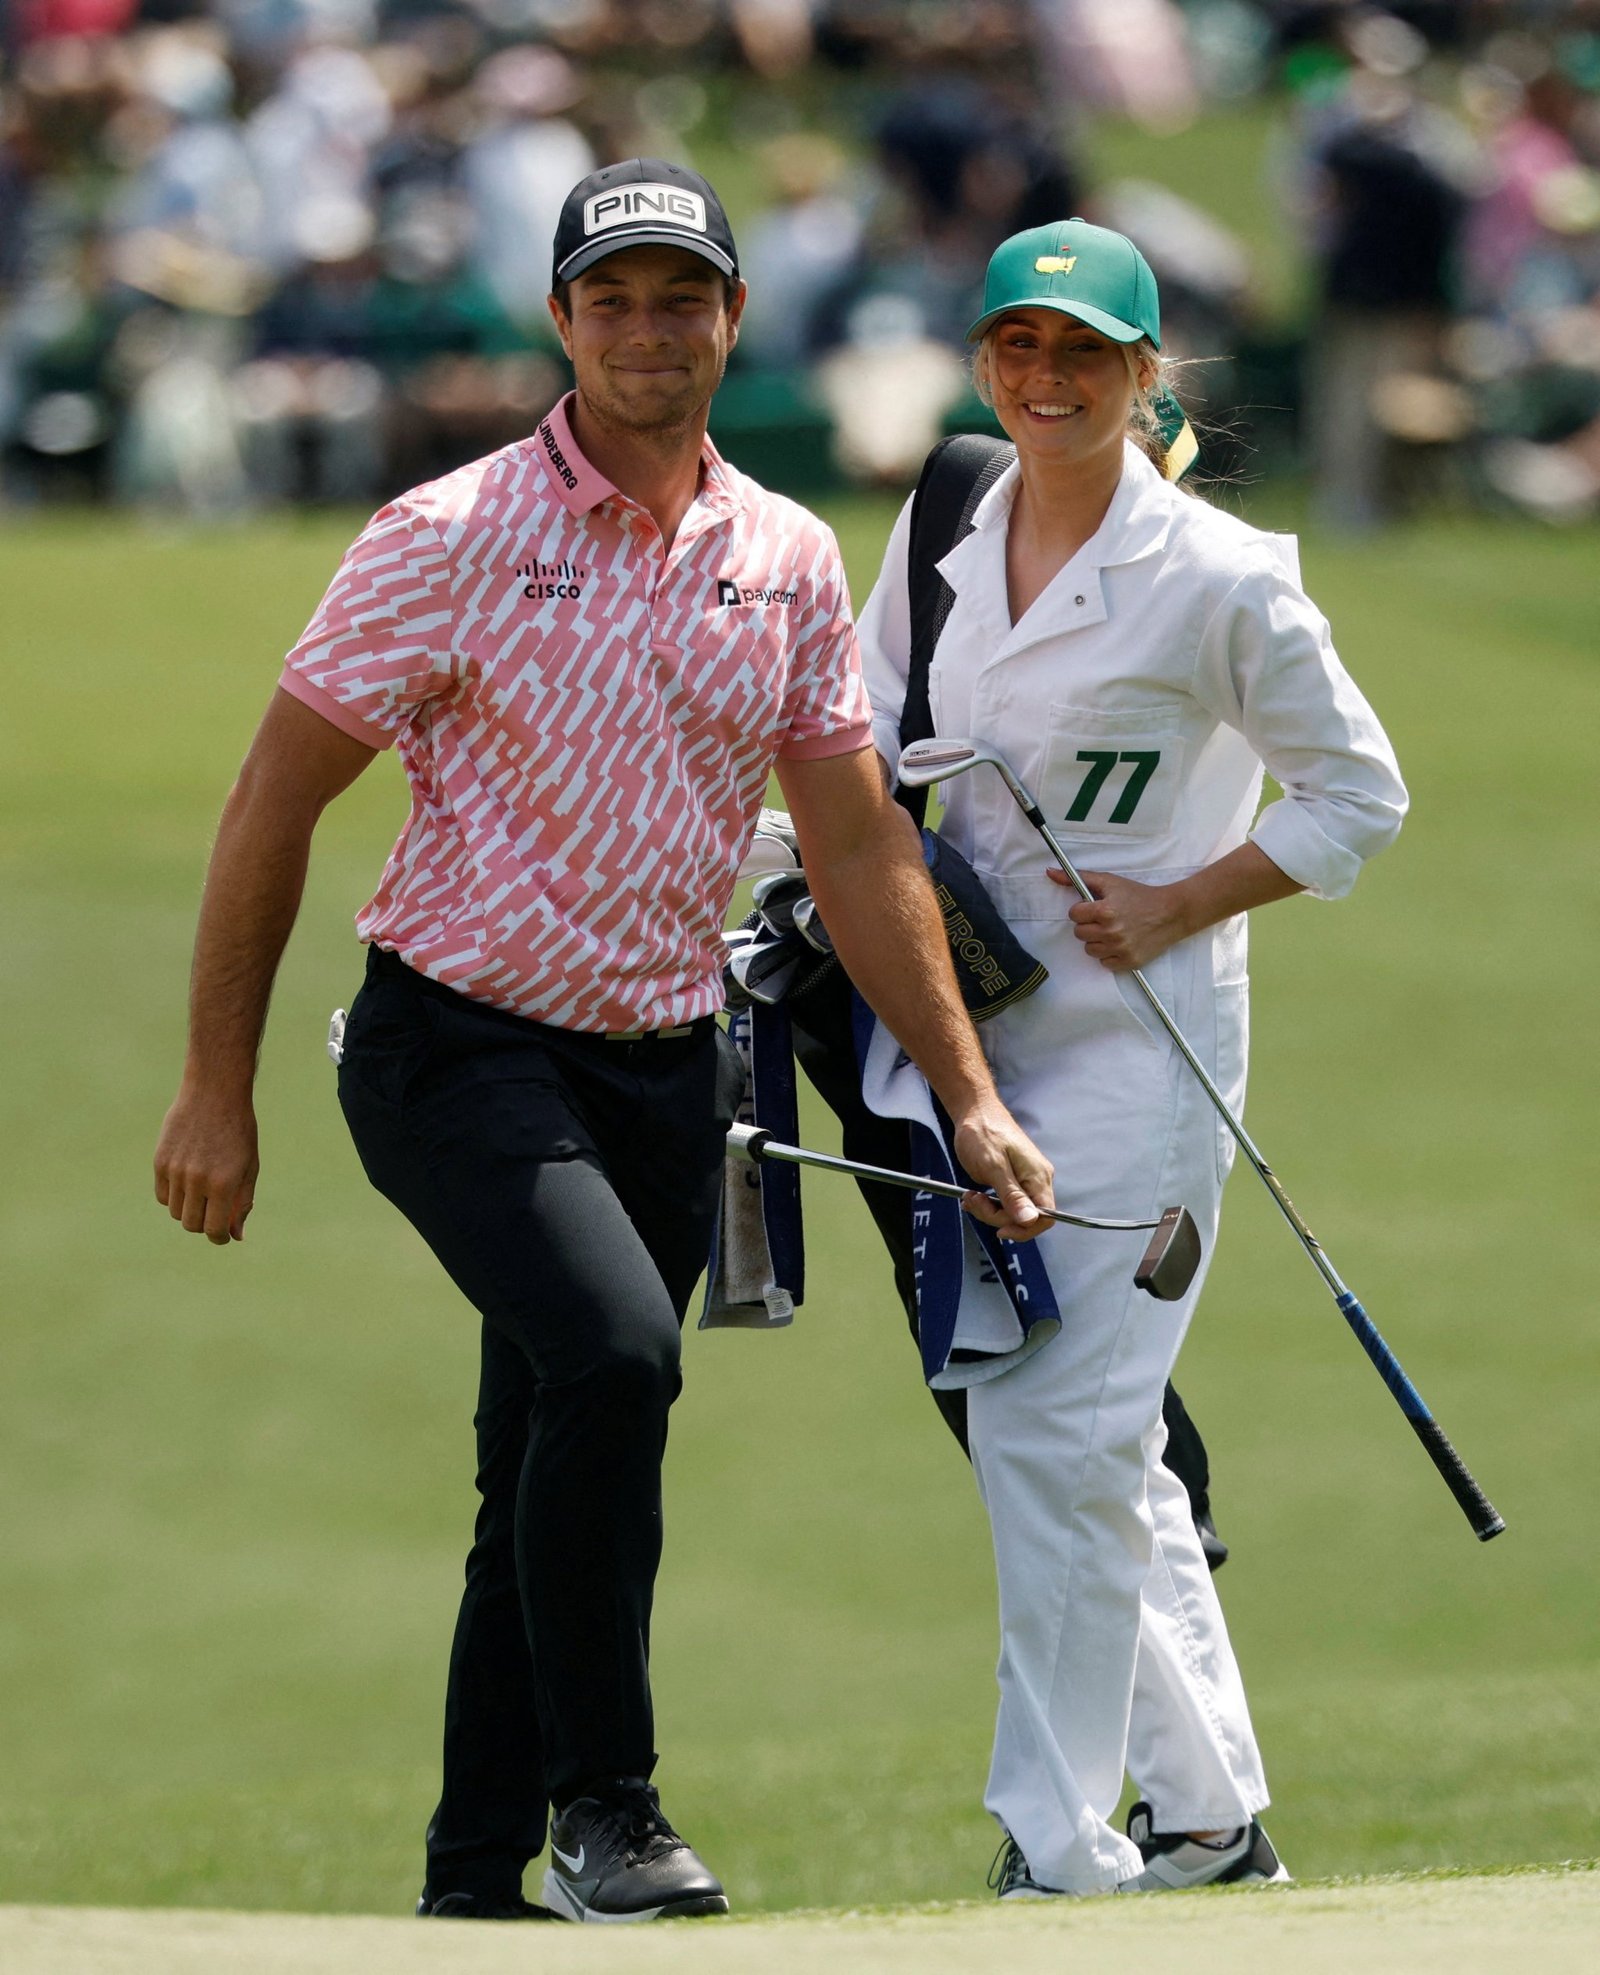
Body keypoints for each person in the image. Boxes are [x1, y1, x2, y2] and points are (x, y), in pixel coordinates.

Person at [150, 158, 1054, 1927]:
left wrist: (968, 1097)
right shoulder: (446, 536)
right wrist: (212, 1088)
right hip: (452, 1049)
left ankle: (468, 1881)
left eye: (682, 298)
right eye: (614, 300)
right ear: (560, 322)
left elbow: (858, 842)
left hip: (662, 1070)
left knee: (546, 1456)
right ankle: (608, 1812)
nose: (651, 330)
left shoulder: (783, 555)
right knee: (620, 1364)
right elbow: (273, 802)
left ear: (733, 317)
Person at [856, 218, 1408, 1897]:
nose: (1048, 379)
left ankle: (1057, 1839)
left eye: (1085, 353)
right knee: (1089, 1437)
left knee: (1055, 1432)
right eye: (1020, 347)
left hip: (1143, 1063)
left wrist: (1183, 899)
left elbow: (1359, 795)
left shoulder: (1220, 577)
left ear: (1145, 372)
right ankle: (1214, 1818)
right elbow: (859, 746)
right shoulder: (944, 531)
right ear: (985, 361)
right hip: (955, 1051)